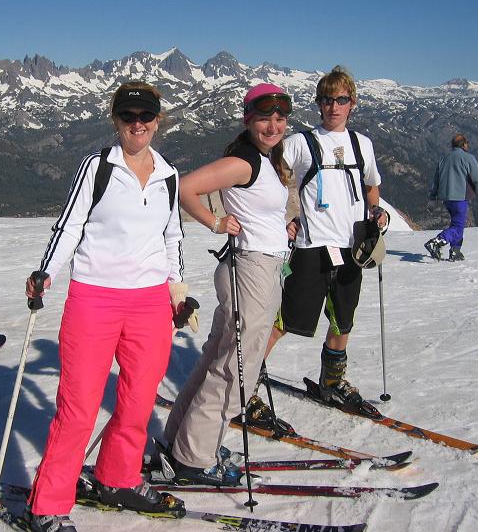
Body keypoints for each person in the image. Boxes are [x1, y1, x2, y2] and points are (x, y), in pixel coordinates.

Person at [23, 82, 189, 532]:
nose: (138, 124)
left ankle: (119, 477)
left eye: (146, 116)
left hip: (150, 303)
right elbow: (70, 225)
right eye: (128, 116)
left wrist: (177, 290)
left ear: (158, 120)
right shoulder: (98, 167)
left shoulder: (168, 175)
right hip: (94, 298)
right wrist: (46, 273)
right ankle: (47, 504)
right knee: (78, 407)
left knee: (137, 402)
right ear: (116, 120)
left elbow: (172, 236)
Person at [160, 83, 292, 486]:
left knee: (216, 361)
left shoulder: (263, 159)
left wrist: (280, 228)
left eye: (280, 118)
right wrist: (215, 223)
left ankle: (179, 442)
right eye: (264, 118)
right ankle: (194, 458)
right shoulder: (245, 161)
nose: (273, 126)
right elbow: (185, 188)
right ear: (248, 119)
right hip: (251, 272)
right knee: (236, 370)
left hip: (254, 267)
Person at [258, 66, 388, 414]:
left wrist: (377, 212)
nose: (334, 107)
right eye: (327, 100)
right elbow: (267, 173)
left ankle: (332, 382)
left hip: (352, 248)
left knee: (342, 320)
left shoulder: (362, 145)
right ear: (318, 103)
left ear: (352, 103)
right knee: (287, 319)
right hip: (311, 247)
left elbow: (371, 186)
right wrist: (284, 217)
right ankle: (246, 381)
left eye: (341, 100)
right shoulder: (301, 143)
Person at [425, 134, 478, 261]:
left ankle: (455, 251)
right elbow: (477, 177)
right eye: (467, 143)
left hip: (446, 198)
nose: (468, 145)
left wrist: (432, 198)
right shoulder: (468, 158)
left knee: (456, 223)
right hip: (460, 197)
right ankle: (437, 242)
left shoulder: (443, 158)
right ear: (464, 144)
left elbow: (436, 180)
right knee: (458, 226)